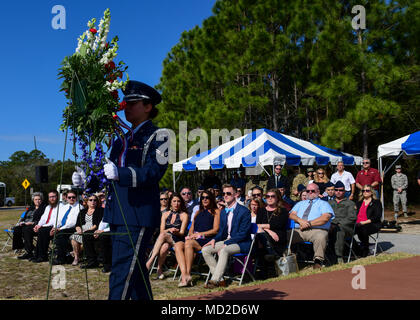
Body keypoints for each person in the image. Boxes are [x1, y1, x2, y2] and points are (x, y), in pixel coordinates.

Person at [71, 80, 168, 300]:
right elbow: (107, 175)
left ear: (148, 106)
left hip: (138, 214)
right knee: (135, 273)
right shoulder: (121, 139)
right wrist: (86, 182)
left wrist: (122, 174)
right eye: (126, 102)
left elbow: (154, 171)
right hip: (118, 214)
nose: (126, 107)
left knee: (122, 273)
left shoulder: (161, 136)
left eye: (133, 103)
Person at [202, 184, 251, 288]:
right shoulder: (223, 211)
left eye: (228, 193)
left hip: (241, 243)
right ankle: (221, 279)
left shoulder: (244, 211)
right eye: (223, 193)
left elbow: (243, 234)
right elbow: (221, 232)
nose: (225, 195)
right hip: (227, 241)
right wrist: (214, 240)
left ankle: (214, 280)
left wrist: (226, 244)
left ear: (235, 195)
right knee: (205, 250)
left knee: (224, 250)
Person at [177, 190, 221, 287]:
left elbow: (215, 230)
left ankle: (187, 275)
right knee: (181, 244)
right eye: (202, 198)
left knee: (188, 243)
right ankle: (186, 274)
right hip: (195, 239)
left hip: (207, 240)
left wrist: (199, 234)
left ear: (212, 199)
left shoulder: (216, 211)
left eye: (207, 198)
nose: (204, 199)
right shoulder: (198, 212)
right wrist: (191, 234)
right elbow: (191, 229)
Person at [288, 183, 335, 269]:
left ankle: (318, 261)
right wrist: (300, 221)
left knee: (321, 236)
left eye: (312, 191)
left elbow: (325, 218)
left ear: (318, 192)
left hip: (316, 230)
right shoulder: (300, 204)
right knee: (284, 236)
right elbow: (291, 215)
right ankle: (287, 259)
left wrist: (308, 224)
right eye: (308, 191)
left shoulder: (324, 204)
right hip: (298, 230)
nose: (310, 193)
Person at [146, 193, 189, 279]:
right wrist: (169, 230)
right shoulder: (165, 214)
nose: (176, 203)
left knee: (163, 235)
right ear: (170, 203)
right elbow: (162, 230)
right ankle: (159, 269)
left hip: (178, 239)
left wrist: (176, 232)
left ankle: (150, 261)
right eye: (174, 201)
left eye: (178, 201)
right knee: (164, 246)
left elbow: (182, 233)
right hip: (166, 239)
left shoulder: (184, 215)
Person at [255, 189, 289, 279]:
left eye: (272, 196)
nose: (269, 198)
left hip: (278, 237)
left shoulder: (283, 211)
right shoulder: (261, 210)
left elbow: (278, 224)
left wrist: (264, 227)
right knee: (260, 234)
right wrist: (269, 231)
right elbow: (257, 224)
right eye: (267, 196)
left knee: (260, 236)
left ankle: (265, 269)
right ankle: (271, 254)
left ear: (277, 198)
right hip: (265, 236)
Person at [31, 190, 66, 263]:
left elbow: (60, 219)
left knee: (42, 231)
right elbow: (43, 218)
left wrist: (55, 228)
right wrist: (38, 225)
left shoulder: (61, 207)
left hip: (54, 226)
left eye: (53, 197)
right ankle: (37, 255)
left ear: (57, 197)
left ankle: (43, 256)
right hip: (45, 226)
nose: (52, 199)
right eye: (50, 197)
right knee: (39, 230)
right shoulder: (48, 207)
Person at [70, 194, 103, 268]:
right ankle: (76, 258)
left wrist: (87, 230)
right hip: (82, 228)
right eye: (90, 200)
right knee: (74, 238)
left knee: (85, 237)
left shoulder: (100, 210)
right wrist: (79, 229)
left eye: (95, 200)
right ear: (87, 202)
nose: (93, 202)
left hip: (92, 229)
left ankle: (76, 253)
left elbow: (97, 224)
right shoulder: (82, 211)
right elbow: (78, 224)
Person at [328, 182, 357, 263]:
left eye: (340, 190)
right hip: (330, 226)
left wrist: (338, 224)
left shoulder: (350, 203)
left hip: (345, 227)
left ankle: (338, 256)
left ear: (344, 191)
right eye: (336, 190)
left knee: (339, 230)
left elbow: (352, 218)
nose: (338, 192)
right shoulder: (329, 203)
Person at [51, 190, 81, 265]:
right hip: (62, 227)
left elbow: (73, 222)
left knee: (60, 234)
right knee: (43, 231)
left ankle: (61, 258)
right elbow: (59, 219)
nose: (71, 199)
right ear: (66, 198)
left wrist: (59, 229)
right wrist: (54, 227)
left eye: (73, 197)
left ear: (76, 198)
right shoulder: (65, 207)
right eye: (69, 197)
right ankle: (40, 255)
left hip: (74, 227)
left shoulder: (79, 207)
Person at [14, 192, 46, 260]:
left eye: (39, 199)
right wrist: (21, 222)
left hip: (36, 226)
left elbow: (43, 219)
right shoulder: (31, 208)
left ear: (42, 200)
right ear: (33, 200)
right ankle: (23, 247)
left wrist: (32, 223)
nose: (37, 201)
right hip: (26, 224)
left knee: (26, 230)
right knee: (16, 229)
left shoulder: (44, 208)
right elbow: (25, 217)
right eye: (36, 199)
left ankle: (29, 252)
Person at [355, 185, 382, 257]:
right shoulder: (359, 202)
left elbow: (377, 216)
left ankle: (365, 249)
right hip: (357, 224)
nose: (365, 192)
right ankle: (355, 249)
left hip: (372, 224)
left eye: (367, 190)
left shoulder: (376, 202)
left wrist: (363, 222)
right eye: (363, 190)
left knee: (362, 228)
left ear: (372, 192)